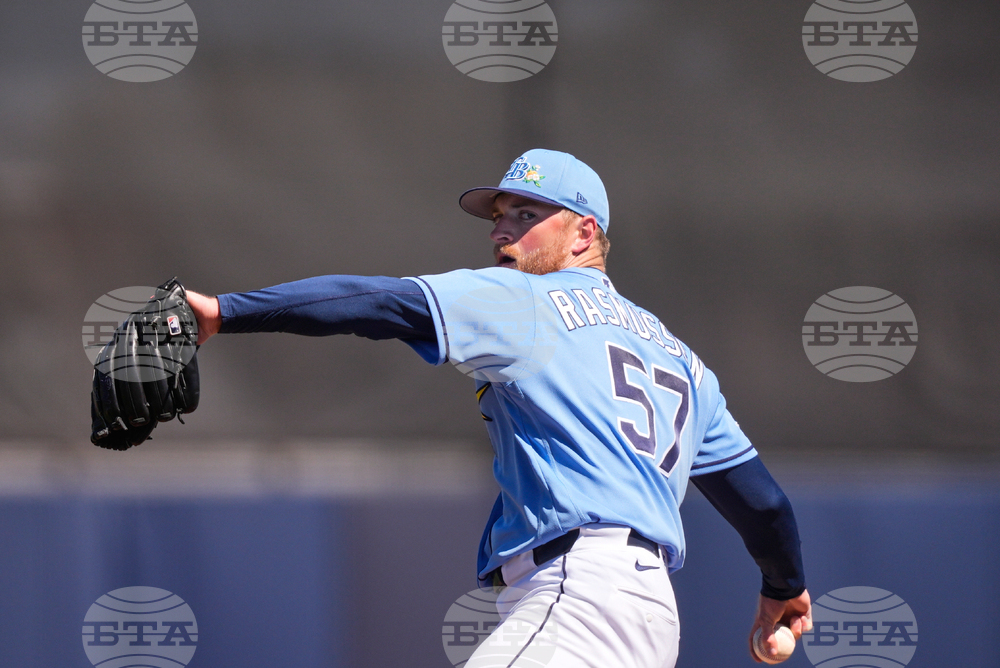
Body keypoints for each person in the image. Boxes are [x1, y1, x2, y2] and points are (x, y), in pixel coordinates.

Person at [184, 149, 811, 666]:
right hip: (648, 618)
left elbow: (378, 302)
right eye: (499, 215)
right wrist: (783, 587)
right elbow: (762, 502)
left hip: (578, 594)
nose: (501, 230)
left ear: (583, 233)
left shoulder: (528, 300)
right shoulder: (684, 362)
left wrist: (224, 311)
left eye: (527, 213)